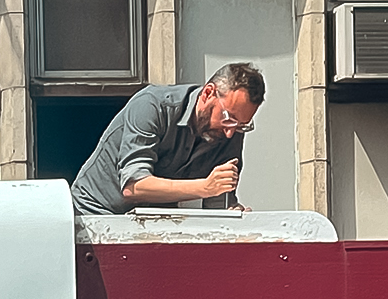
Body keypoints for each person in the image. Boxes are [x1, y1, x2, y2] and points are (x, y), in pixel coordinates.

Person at [70, 62, 265, 214]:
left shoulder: (230, 132)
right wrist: (205, 187)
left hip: (151, 222)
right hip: (94, 212)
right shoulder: (152, 105)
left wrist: (233, 215)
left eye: (242, 125)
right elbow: (134, 186)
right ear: (208, 93)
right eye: (228, 119)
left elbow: (219, 201)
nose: (230, 133)